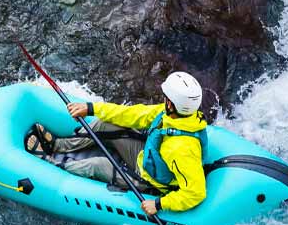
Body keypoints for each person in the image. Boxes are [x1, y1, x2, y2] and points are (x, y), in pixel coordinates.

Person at [26, 72, 208, 217]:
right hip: (146, 156)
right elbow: (132, 114)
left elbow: (196, 192)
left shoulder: (183, 149)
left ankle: (49, 161)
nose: (164, 99)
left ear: (173, 104)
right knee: (104, 124)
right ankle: (59, 145)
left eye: (166, 97)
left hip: (151, 182)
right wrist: (91, 108)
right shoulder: (170, 114)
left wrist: (159, 204)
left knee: (97, 165)